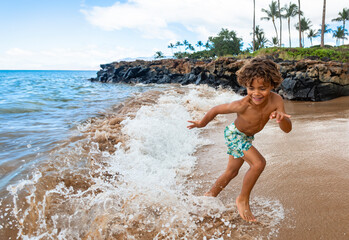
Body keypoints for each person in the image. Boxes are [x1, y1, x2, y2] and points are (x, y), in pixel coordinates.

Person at [187, 58, 292, 222]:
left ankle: (209, 196)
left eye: (262, 88)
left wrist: (282, 119)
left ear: (272, 84)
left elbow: (287, 129)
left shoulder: (277, 100)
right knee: (258, 163)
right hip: (234, 134)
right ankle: (242, 199)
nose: (256, 93)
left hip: (246, 137)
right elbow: (216, 109)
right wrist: (202, 123)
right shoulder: (242, 105)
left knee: (232, 172)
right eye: (251, 88)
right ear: (245, 85)